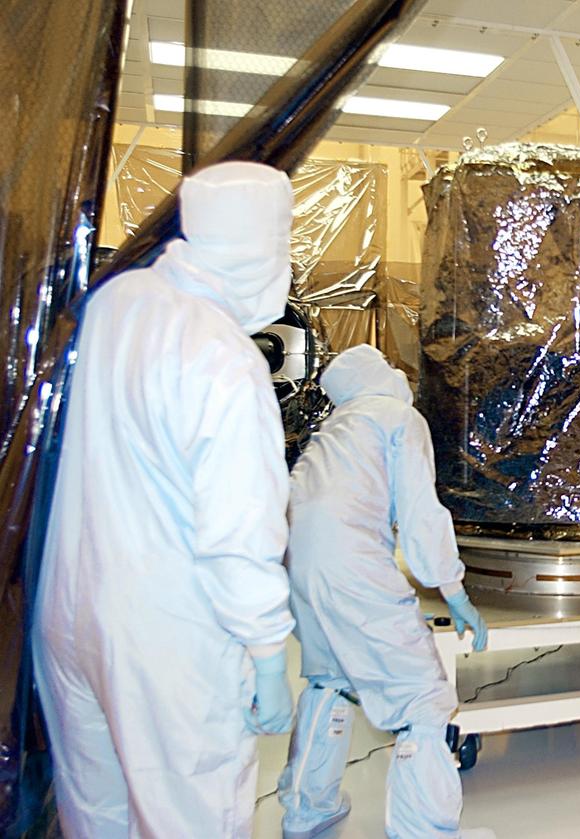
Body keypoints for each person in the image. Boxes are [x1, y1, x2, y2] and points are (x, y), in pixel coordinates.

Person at [32, 162, 298, 837]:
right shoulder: (223, 358)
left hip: (71, 609)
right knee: (189, 818)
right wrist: (269, 651)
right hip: (165, 639)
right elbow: (237, 532)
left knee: (95, 815)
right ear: (263, 245)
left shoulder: (118, 302)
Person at [277, 344, 490, 839]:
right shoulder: (397, 417)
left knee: (328, 680)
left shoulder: (333, 429)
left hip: (298, 567)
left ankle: (307, 811)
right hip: (353, 567)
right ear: (382, 375)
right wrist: (455, 592)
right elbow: (420, 517)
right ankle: (426, 831)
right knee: (421, 698)